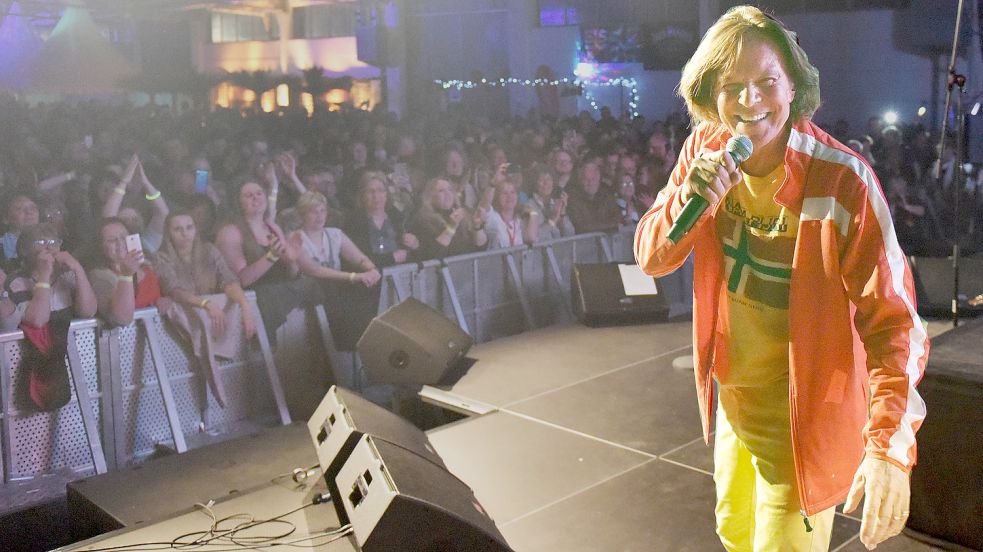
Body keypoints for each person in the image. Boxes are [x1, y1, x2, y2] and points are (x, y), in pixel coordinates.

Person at [633, 7, 929, 552]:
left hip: (804, 416)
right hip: (735, 398)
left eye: (766, 82)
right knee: (735, 535)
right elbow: (651, 257)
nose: (750, 102)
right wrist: (690, 197)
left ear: (793, 85)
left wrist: (888, 447)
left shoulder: (843, 181)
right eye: (732, 87)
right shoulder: (704, 151)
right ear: (709, 96)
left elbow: (897, 326)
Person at [156, 212, 257, 407]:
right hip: (184, 324)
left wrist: (245, 305)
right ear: (168, 233)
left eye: (189, 227)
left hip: (215, 320)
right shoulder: (161, 257)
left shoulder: (209, 251)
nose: (185, 234)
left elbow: (228, 280)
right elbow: (174, 290)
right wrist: (205, 304)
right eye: (178, 229)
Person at [88, 218, 164, 326]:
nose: (120, 243)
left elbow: (173, 290)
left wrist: (167, 300)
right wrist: (126, 275)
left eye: (124, 237)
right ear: (101, 247)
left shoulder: (149, 265)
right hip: (127, 339)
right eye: (111, 240)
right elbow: (122, 318)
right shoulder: (99, 276)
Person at [344, 172, 419, 268]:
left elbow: (415, 255)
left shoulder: (398, 217)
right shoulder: (352, 222)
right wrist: (391, 258)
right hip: (370, 278)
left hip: (400, 275)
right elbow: (356, 260)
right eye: (370, 191)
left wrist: (415, 245)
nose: (376, 196)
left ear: (386, 194)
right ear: (362, 196)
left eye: (380, 190)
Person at [410, 178, 488, 260]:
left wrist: (477, 226)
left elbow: (481, 248)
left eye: (450, 189)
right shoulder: (423, 220)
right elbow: (433, 255)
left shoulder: (464, 213)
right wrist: (451, 227)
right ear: (430, 197)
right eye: (441, 191)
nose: (447, 194)